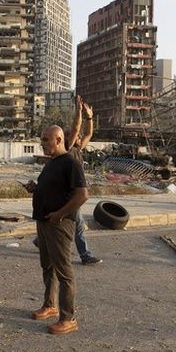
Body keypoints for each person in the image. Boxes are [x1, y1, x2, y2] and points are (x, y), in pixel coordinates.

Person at [29, 125, 88, 335]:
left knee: (64, 272)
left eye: (46, 140)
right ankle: (50, 305)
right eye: (42, 140)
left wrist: (60, 214)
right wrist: (35, 188)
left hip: (59, 224)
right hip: (44, 221)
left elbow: (82, 195)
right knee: (48, 266)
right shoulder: (52, 162)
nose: (42, 144)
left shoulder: (71, 162)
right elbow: (54, 189)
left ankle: (68, 318)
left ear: (59, 139)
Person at [64, 95, 100, 266]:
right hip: (68, 193)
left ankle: (40, 241)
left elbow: (88, 133)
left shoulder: (78, 148)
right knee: (78, 224)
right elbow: (76, 128)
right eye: (76, 135)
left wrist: (90, 117)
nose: (79, 137)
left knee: (63, 220)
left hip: (71, 191)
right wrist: (78, 111)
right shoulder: (68, 148)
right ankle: (85, 255)